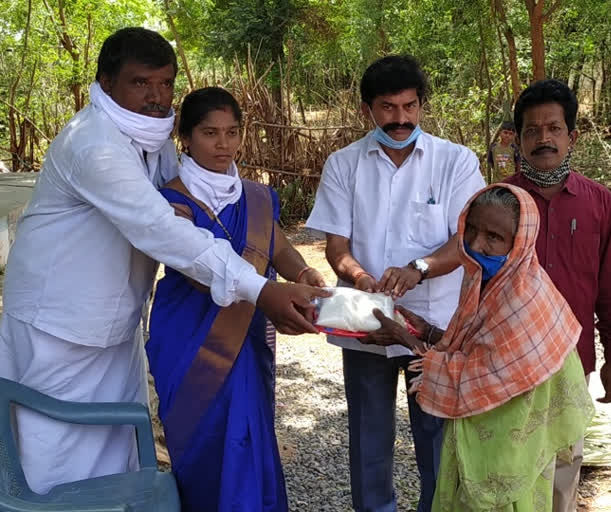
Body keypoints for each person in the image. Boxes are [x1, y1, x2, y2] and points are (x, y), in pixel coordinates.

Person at [0, 28, 325, 494]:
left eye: (166, 83)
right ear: (106, 82)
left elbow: (198, 214)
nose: (156, 97)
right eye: (140, 83)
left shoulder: (155, 145)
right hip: (57, 324)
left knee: (116, 447)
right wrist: (262, 289)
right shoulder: (95, 144)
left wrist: (290, 269)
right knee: (53, 449)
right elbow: (165, 230)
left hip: (116, 324)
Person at [306, 55, 486, 512]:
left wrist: (419, 268)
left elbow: (466, 239)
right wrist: (362, 278)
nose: (400, 118)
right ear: (368, 109)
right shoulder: (344, 164)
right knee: (368, 436)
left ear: (422, 105)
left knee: (435, 435)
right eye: (388, 107)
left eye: (409, 106)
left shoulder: (455, 162)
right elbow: (336, 247)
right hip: (366, 322)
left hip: (434, 328)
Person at [360, 183, 594, 511]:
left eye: (493, 237)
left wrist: (405, 339)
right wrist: (425, 330)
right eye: (470, 230)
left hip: (509, 446)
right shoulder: (487, 280)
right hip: (506, 434)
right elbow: (482, 346)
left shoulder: (522, 300)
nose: (476, 244)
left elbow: (480, 376)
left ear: (520, 242)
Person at [146, 87, 325, 511]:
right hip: (190, 335)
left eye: (232, 132)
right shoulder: (171, 199)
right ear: (185, 137)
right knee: (203, 438)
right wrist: (268, 294)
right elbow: (194, 269)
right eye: (210, 133)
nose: (223, 144)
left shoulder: (257, 197)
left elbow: (277, 246)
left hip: (247, 331)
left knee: (247, 428)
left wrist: (302, 273)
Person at [500, 79, 611, 512]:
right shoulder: (500, 203)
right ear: (518, 139)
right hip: (507, 364)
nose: (544, 139)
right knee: (508, 471)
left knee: (562, 473)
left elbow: (610, 288)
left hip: (571, 364)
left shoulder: (599, 204)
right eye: (532, 131)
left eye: (554, 128)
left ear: (571, 136)